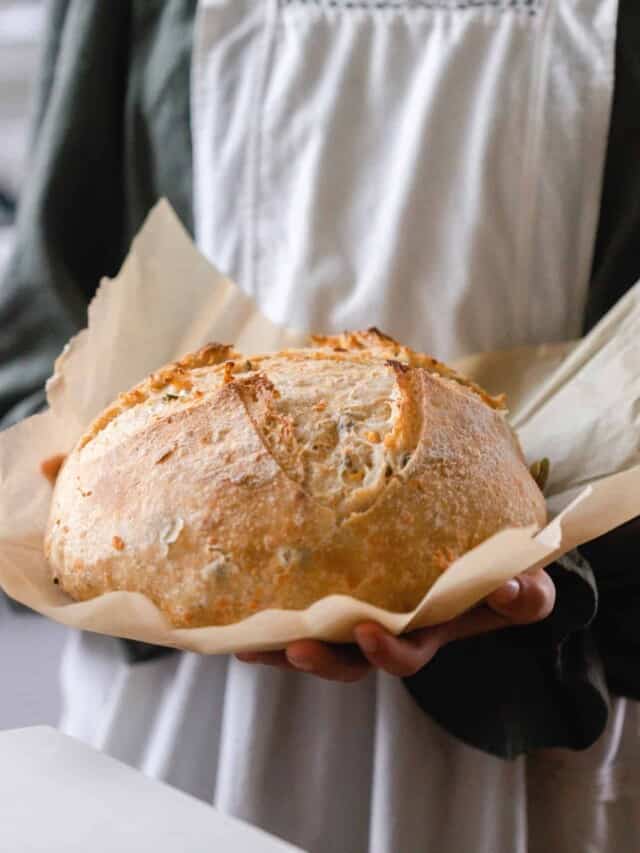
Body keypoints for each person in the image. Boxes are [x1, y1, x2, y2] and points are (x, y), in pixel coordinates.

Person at [2, 1, 639, 851]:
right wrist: (80, 484)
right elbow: (43, 334)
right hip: (176, 738)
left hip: (534, 740)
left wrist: (566, 560)